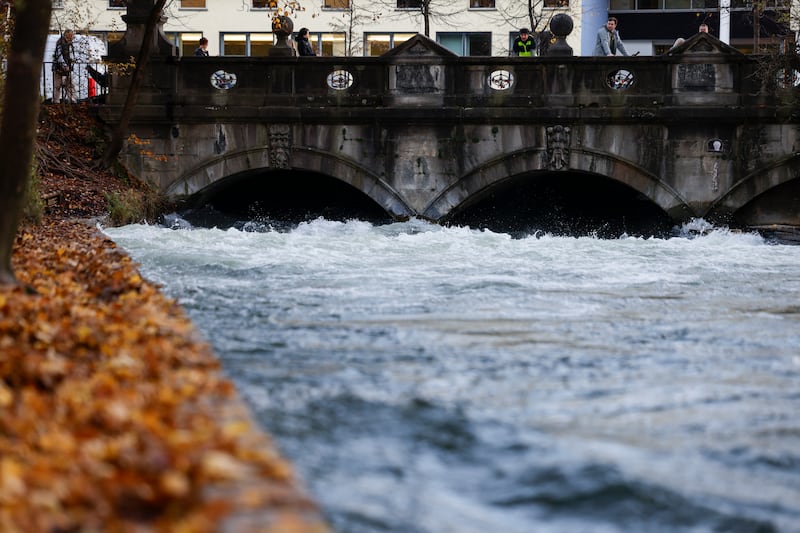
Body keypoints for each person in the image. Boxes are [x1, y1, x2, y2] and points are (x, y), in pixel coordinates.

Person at [52, 29, 76, 104]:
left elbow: (70, 55)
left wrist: (72, 62)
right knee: (57, 85)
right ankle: (56, 101)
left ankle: (71, 99)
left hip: (67, 67)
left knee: (70, 84)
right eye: (71, 35)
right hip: (59, 67)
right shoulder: (61, 42)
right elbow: (59, 56)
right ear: (67, 35)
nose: (73, 36)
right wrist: (64, 65)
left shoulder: (69, 43)